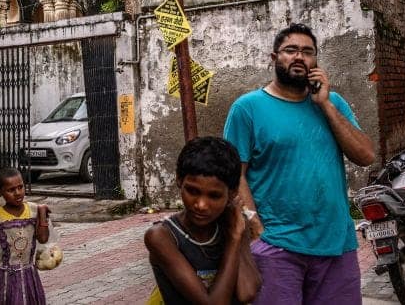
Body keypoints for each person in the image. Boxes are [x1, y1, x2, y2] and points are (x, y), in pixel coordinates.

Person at [224, 23, 375, 304]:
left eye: (307, 52)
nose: (299, 57)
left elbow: (365, 156)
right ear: (274, 58)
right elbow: (234, 175)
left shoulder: (333, 103)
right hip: (277, 245)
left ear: (315, 61)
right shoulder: (247, 108)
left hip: (336, 245)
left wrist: (325, 105)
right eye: (290, 50)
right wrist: (255, 227)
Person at [145, 137, 261, 305]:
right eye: (192, 191)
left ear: (232, 194)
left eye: (214, 196)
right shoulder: (162, 236)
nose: (201, 205)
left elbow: (247, 292)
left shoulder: (233, 224)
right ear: (179, 180)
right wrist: (233, 240)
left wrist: (236, 235)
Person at [0, 167, 50, 304]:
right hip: (3, 278)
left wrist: (42, 213)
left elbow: (43, 238)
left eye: (20, 187)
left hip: (29, 276)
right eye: (11, 190)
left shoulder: (34, 210)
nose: (18, 193)